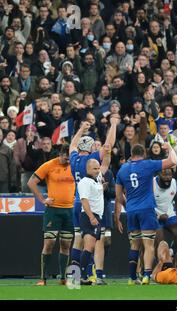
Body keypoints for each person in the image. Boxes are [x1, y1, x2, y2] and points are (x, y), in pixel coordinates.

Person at [114, 143, 177, 285]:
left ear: (131, 153)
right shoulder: (148, 164)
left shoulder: (122, 169)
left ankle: (131, 278)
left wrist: (128, 206)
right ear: (144, 153)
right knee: (148, 245)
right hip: (147, 209)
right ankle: (146, 276)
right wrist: (169, 148)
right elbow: (173, 161)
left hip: (131, 211)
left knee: (134, 245)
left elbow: (118, 195)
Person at [68, 117, 119, 271]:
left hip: (76, 202)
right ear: (90, 148)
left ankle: (74, 276)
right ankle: (85, 274)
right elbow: (108, 145)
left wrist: (81, 130)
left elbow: (72, 145)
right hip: (88, 205)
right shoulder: (91, 161)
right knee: (90, 242)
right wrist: (114, 125)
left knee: (78, 240)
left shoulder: (74, 159)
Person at [27, 144, 75, 286]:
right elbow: (31, 182)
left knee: (66, 244)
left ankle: (63, 278)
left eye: (69, 156)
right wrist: (42, 199)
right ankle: (43, 278)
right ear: (59, 154)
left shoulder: (74, 165)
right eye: (65, 156)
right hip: (53, 210)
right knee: (49, 243)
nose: (67, 159)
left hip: (70, 210)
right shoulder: (49, 165)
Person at [77, 147, 111, 285]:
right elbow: (84, 200)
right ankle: (82, 276)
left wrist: (107, 151)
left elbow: (106, 165)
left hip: (97, 216)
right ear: (87, 169)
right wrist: (91, 217)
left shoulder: (95, 180)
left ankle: (83, 276)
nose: (97, 171)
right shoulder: (85, 182)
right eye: (94, 169)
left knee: (90, 247)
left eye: (98, 168)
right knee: (89, 247)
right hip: (89, 216)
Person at [153, 169, 177, 253]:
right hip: (153, 215)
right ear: (159, 174)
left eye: (170, 175)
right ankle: (161, 262)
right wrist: (158, 216)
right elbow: (145, 204)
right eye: (165, 175)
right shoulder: (151, 184)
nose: (168, 178)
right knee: (161, 244)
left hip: (169, 213)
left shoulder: (175, 183)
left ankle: (171, 253)